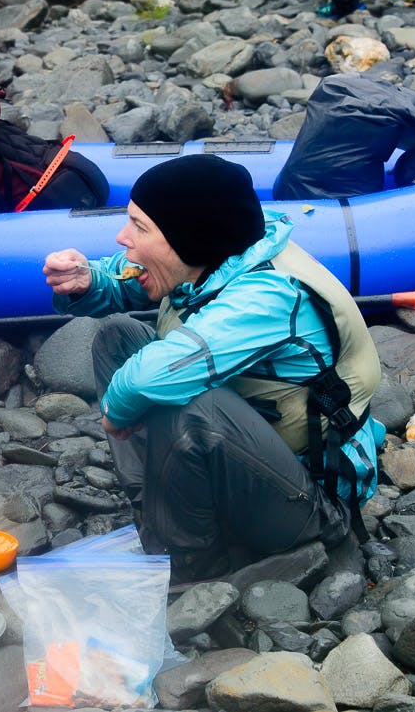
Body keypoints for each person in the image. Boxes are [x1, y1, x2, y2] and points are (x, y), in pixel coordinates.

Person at [42, 154, 383, 582]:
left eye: (139, 227)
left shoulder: (269, 294)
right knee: (118, 338)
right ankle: (155, 507)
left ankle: (190, 565)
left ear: (189, 237)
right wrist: (89, 281)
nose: (121, 237)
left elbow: (152, 378)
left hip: (306, 501)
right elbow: (129, 279)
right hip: (243, 457)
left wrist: (116, 409)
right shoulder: (217, 253)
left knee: (181, 400)